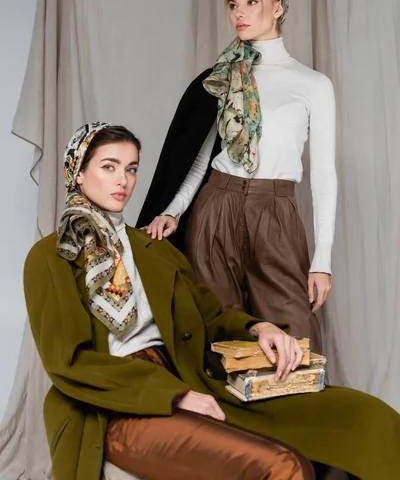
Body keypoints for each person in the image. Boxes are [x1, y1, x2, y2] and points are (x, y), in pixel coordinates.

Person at [24, 122, 400, 480]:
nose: (123, 180)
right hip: (118, 406)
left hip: (189, 375)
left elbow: (209, 314)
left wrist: (259, 326)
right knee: (283, 466)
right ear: (78, 170)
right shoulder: (52, 256)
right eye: (109, 167)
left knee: (367, 417)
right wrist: (173, 396)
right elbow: (69, 362)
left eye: (132, 168)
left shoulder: (153, 249)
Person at [138, 0, 336, 353]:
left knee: (296, 338)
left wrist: (322, 260)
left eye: (251, 2)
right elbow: (203, 159)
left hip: (274, 210)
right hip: (216, 206)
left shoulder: (312, 84)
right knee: (220, 334)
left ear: (278, 6)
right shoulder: (223, 76)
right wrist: (174, 211)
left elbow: (324, 176)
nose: (239, 14)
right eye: (233, 5)